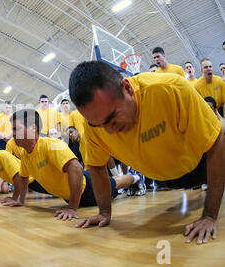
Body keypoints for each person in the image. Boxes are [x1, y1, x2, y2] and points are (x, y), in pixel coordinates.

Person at [69, 60, 225, 244]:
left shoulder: (171, 89)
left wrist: (209, 216)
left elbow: (218, 142)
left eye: (112, 118)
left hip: (202, 164)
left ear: (127, 88)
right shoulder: (93, 128)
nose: (108, 131)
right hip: (164, 179)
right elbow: (95, 166)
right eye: (98, 124)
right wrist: (104, 212)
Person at [5, 109, 141, 219]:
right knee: (115, 181)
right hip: (74, 192)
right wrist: (19, 200)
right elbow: (23, 178)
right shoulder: (25, 155)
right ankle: (135, 178)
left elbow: (76, 168)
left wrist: (72, 208)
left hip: (89, 190)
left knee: (117, 183)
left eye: (16, 129)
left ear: (33, 129)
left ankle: (137, 178)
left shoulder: (52, 145)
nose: (13, 134)